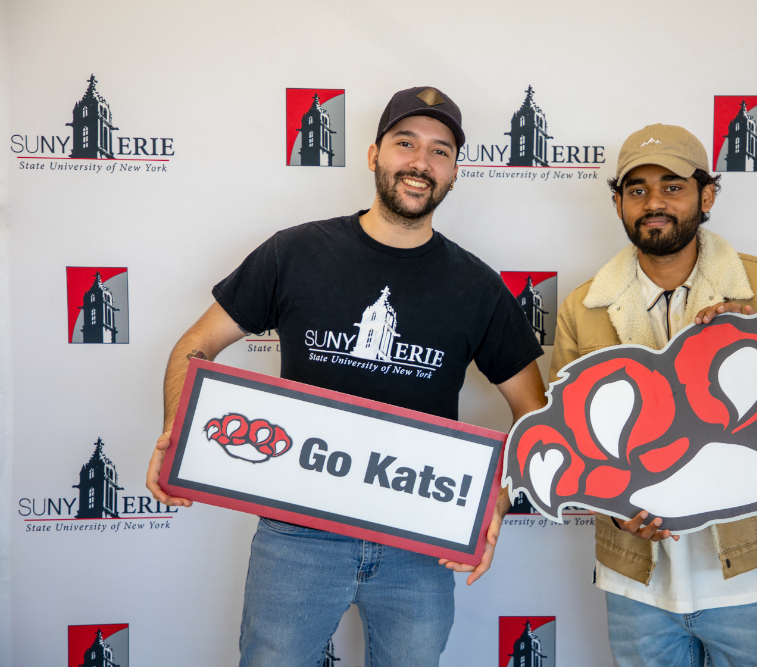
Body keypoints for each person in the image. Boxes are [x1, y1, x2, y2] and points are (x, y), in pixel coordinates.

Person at [146, 86, 547, 667]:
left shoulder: (478, 287)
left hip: (422, 539)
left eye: (440, 151)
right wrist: (174, 432)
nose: (420, 162)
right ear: (373, 153)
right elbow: (197, 345)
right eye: (405, 143)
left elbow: (533, 415)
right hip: (297, 534)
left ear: (456, 171)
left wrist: (497, 500)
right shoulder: (295, 252)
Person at [550, 124, 757, 667]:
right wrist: (616, 507)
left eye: (672, 186)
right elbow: (570, 444)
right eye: (637, 189)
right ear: (618, 202)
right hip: (637, 585)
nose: (654, 202)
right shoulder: (582, 308)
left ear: (706, 195)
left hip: (752, 578)